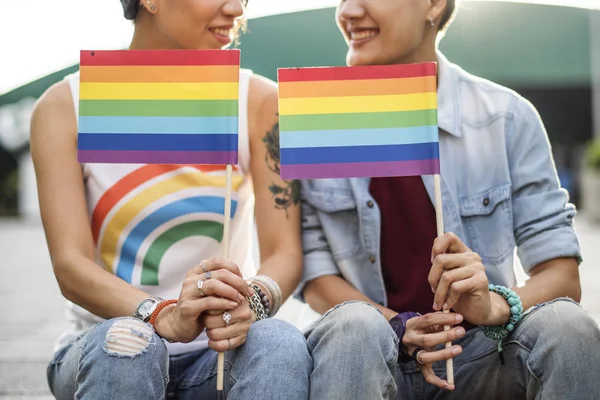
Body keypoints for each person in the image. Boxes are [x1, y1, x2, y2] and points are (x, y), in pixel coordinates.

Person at [297, 0, 600, 399]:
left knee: (568, 325)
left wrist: (493, 307)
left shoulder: (506, 117)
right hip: (372, 354)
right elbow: (314, 275)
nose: (348, 11)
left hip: (482, 354)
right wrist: (399, 326)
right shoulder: (318, 119)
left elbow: (561, 275)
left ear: (433, 5)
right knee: (352, 327)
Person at [30, 1, 311, 398]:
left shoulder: (259, 100)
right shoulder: (65, 106)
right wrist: (161, 314)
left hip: (218, 355)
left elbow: (285, 252)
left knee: (280, 342)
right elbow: (70, 265)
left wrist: (254, 300)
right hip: (105, 346)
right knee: (126, 342)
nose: (235, 9)